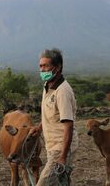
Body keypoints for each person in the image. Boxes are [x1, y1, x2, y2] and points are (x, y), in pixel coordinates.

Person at [30, 48, 78, 185]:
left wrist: (63, 156)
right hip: (51, 146)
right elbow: (51, 114)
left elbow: (68, 125)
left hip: (61, 147)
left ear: (57, 68)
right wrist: (39, 128)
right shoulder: (47, 85)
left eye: (46, 66)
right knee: (60, 182)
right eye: (40, 66)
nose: (42, 69)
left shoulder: (62, 91)